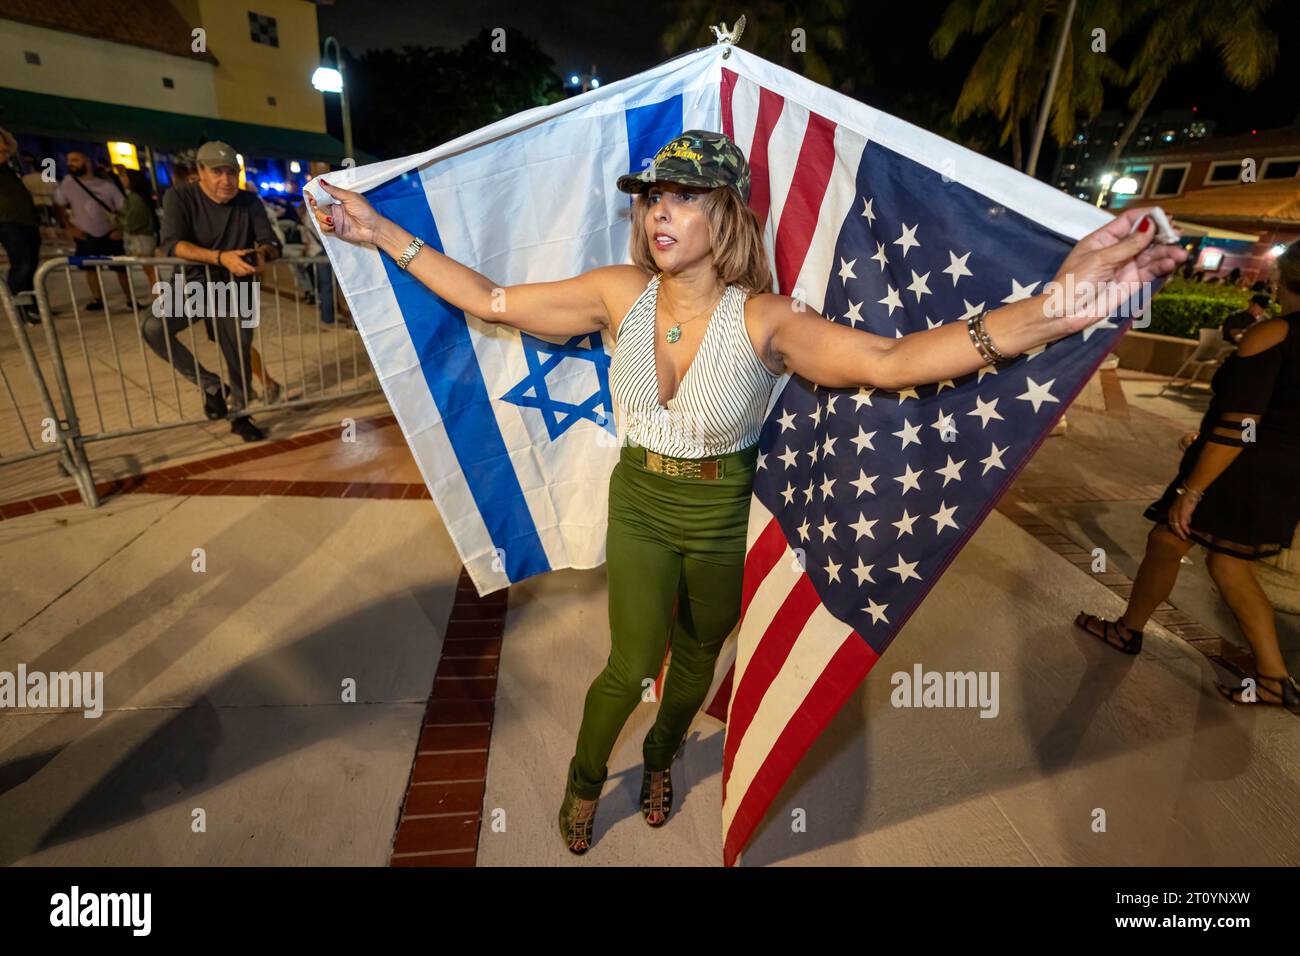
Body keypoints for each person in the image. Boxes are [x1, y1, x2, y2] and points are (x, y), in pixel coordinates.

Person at [309, 129, 1188, 855]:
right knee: (627, 663)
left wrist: (1059, 308)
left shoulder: (764, 318)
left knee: (694, 662)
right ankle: (584, 782)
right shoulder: (616, 295)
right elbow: (493, 300)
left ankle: (660, 759)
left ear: (726, 214)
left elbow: (889, 363)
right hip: (642, 501)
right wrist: (379, 232)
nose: (662, 210)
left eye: (685, 197)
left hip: (723, 508)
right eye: (654, 195)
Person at [1077, 241, 1300, 710]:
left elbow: (1241, 425)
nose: (1272, 282)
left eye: (1277, 273)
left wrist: (1192, 488)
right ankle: (1275, 678)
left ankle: (1127, 631)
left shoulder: (1274, 333)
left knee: (1173, 537)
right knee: (1218, 560)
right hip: (1284, 474)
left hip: (1244, 468)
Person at [155, 141, 281, 441]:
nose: (226, 180)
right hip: (192, 282)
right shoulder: (180, 196)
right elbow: (172, 244)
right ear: (199, 172)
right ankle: (211, 385)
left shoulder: (250, 202)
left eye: (231, 172)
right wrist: (220, 257)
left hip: (236, 289)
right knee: (153, 328)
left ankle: (240, 414)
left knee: (237, 349)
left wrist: (263, 254)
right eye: (217, 172)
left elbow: (272, 243)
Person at [52, 150, 131, 310]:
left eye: (75, 160)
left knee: (120, 267)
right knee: (89, 268)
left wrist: (120, 228)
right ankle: (97, 299)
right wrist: (70, 228)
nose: (70, 164)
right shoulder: (67, 184)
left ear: (86, 162)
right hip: (85, 234)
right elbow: (58, 204)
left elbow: (123, 209)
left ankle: (130, 299)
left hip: (109, 233)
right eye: (68, 160)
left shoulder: (107, 186)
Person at [0, 127, 41, 324]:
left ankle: (31, 304)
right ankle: (19, 307)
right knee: (22, 264)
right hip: (8, 223)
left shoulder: (7, 168)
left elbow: (12, 145)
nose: (3, 150)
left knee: (32, 265)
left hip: (27, 221)